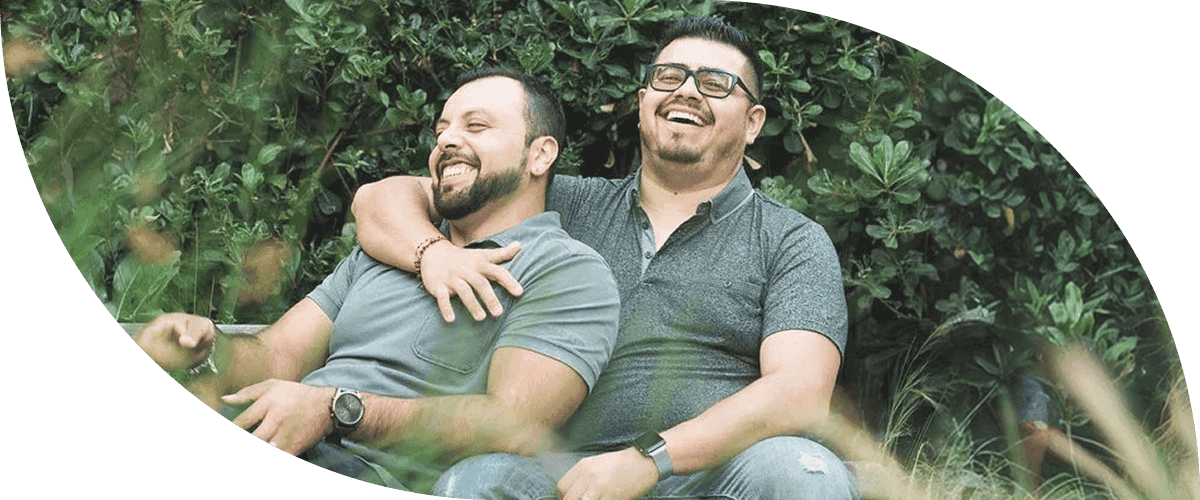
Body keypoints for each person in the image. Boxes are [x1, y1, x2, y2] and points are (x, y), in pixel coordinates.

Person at [353, 17, 856, 500]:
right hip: (559, 471)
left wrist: (648, 459)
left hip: (718, 474)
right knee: (477, 480)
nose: (686, 91)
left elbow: (799, 392)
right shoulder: (560, 202)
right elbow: (382, 198)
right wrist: (432, 252)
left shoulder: (791, 240)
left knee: (803, 471)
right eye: (668, 77)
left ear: (752, 123)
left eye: (715, 83)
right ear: (641, 103)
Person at [134, 68, 621, 493]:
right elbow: (277, 355)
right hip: (284, 438)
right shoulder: (395, 247)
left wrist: (338, 409)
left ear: (540, 155)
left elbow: (513, 424)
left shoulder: (564, 270)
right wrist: (205, 349)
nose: (447, 141)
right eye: (442, 130)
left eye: (476, 126)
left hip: (373, 469)